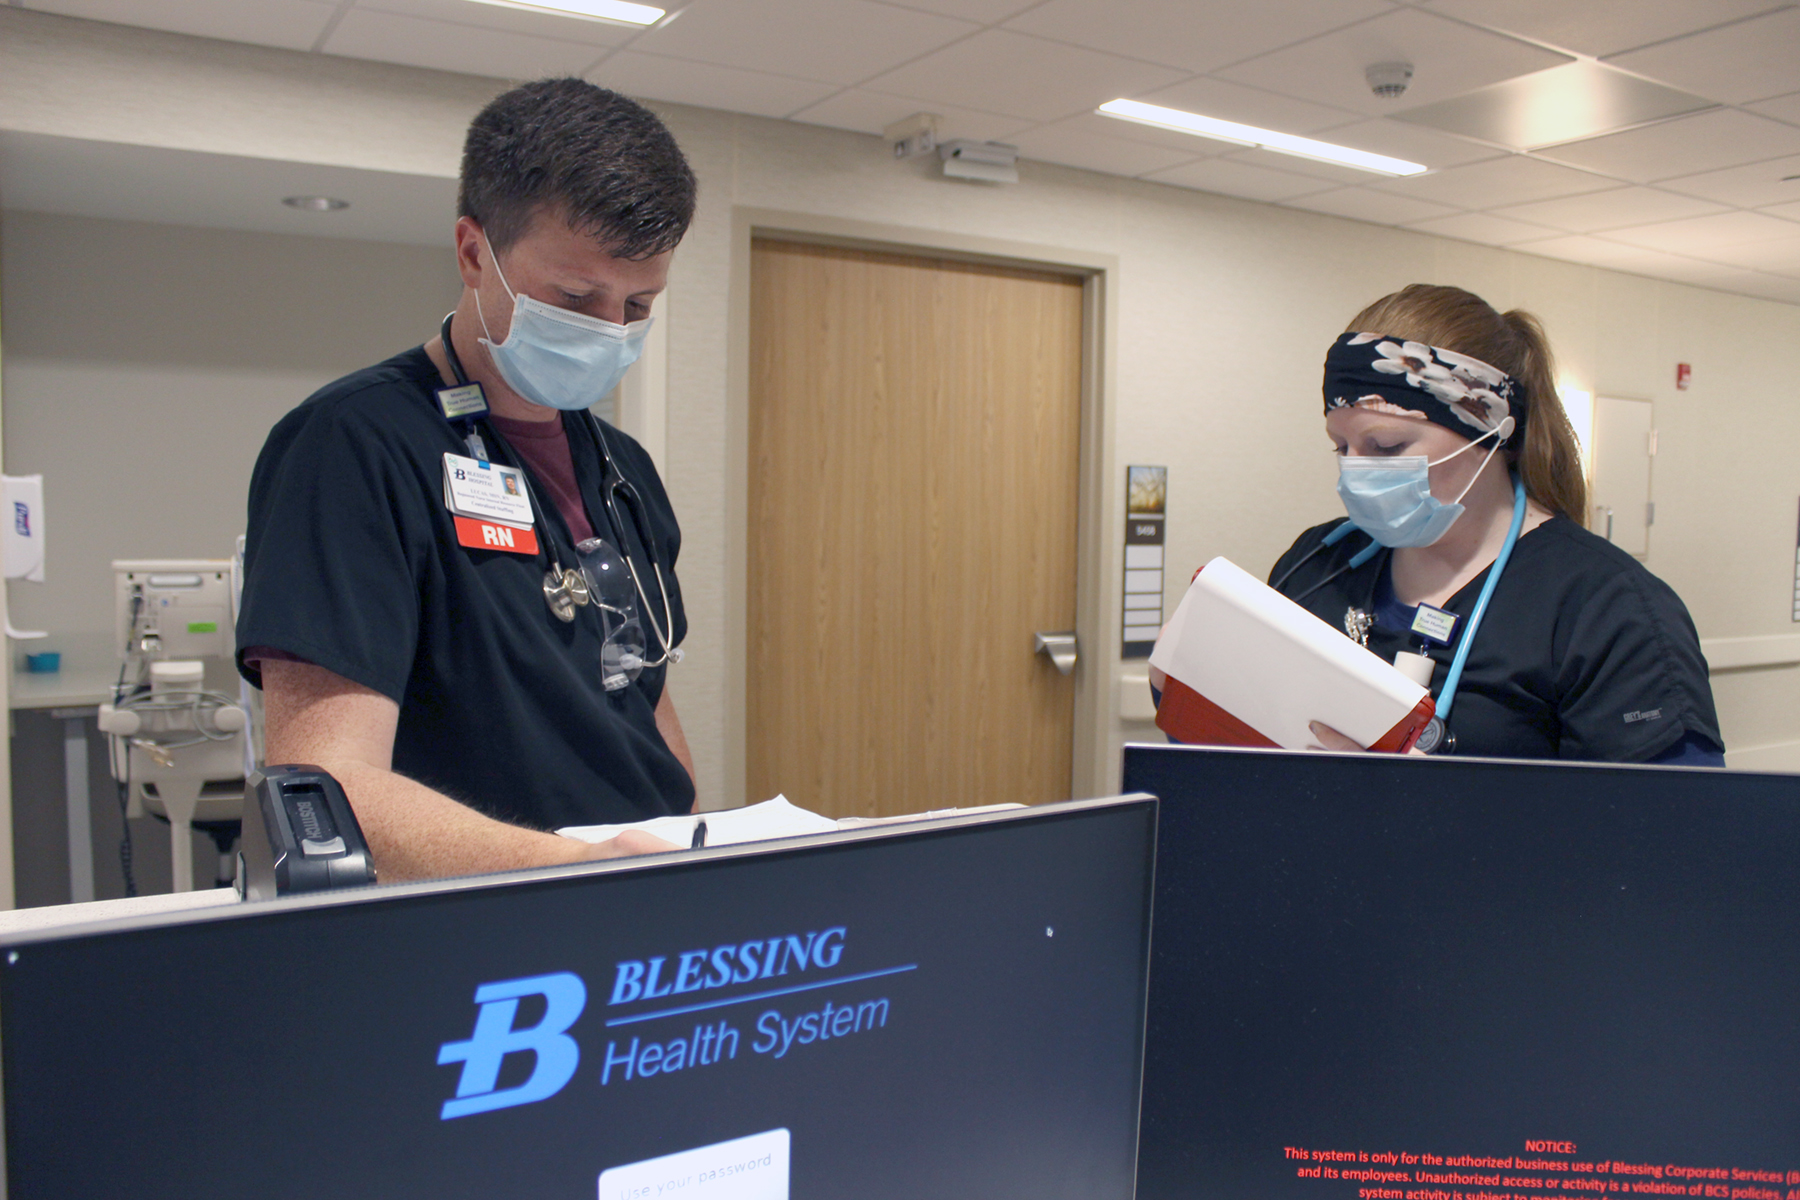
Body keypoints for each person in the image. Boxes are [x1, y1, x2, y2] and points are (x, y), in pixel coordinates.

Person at [235, 79, 699, 880]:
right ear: (473, 251)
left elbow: (642, 693)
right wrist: (572, 864)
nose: (608, 330)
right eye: (577, 296)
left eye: (637, 307)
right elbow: (328, 785)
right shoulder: (353, 447)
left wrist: (694, 848)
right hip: (474, 913)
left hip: (635, 894)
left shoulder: (624, 470)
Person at [1267, 284, 1722, 764]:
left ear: (1489, 433)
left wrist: (1415, 798)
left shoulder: (1607, 607)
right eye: (1341, 447)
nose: (1354, 470)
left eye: (1386, 447)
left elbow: (1674, 827)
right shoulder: (1318, 562)